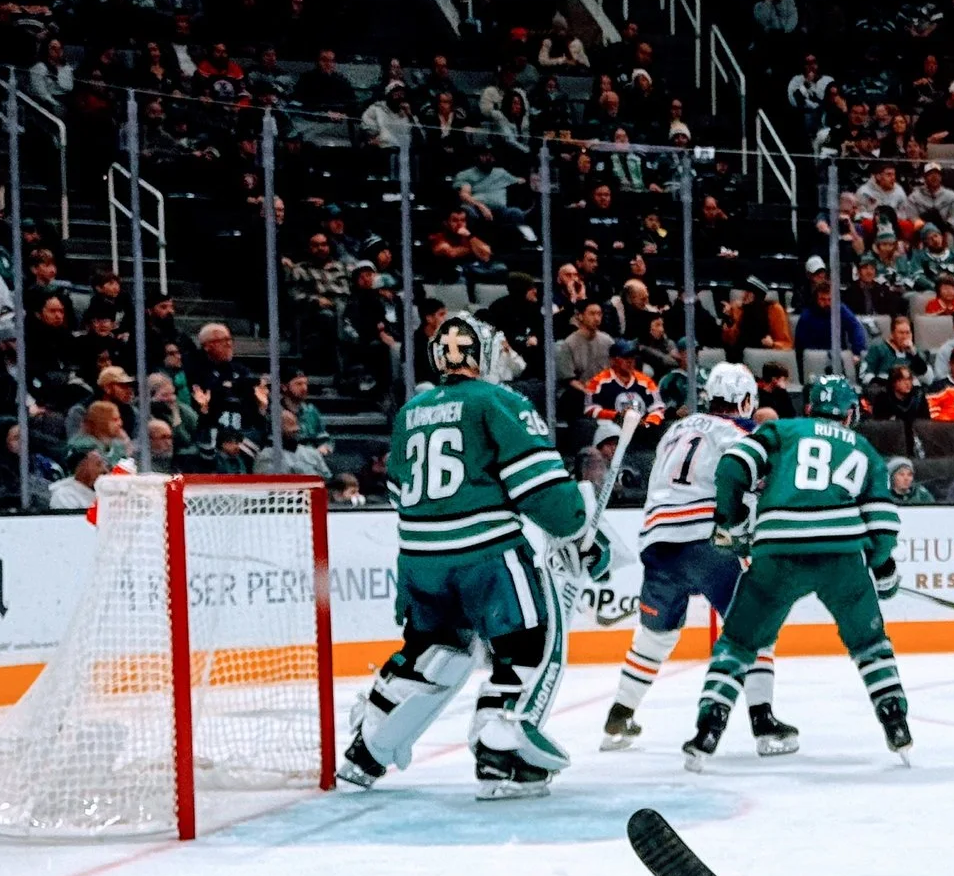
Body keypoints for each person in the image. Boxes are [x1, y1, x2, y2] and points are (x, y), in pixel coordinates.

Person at [336, 314, 608, 800]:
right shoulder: (499, 402)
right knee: (529, 646)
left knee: (431, 652)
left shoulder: (411, 412)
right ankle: (500, 757)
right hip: (488, 558)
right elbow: (546, 495)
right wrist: (579, 526)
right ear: (482, 355)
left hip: (419, 559)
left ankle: (367, 750)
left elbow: (400, 491)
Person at [685, 371, 911, 766]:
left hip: (778, 550)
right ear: (850, 413)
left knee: (738, 643)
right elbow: (882, 520)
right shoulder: (862, 447)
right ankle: (896, 722)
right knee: (869, 642)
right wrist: (883, 569)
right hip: (840, 555)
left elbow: (732, 468)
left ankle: (708, 728)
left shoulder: (783, 430)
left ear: (810, 409)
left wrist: (732, 522)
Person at [599, 363, 788, 755]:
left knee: (655, 636)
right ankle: (764, 722)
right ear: (747, 400)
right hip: (707, 541)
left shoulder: (676, 431)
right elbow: (741, 482)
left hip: (657, 540)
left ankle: (619, 716)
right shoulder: (740, 433)